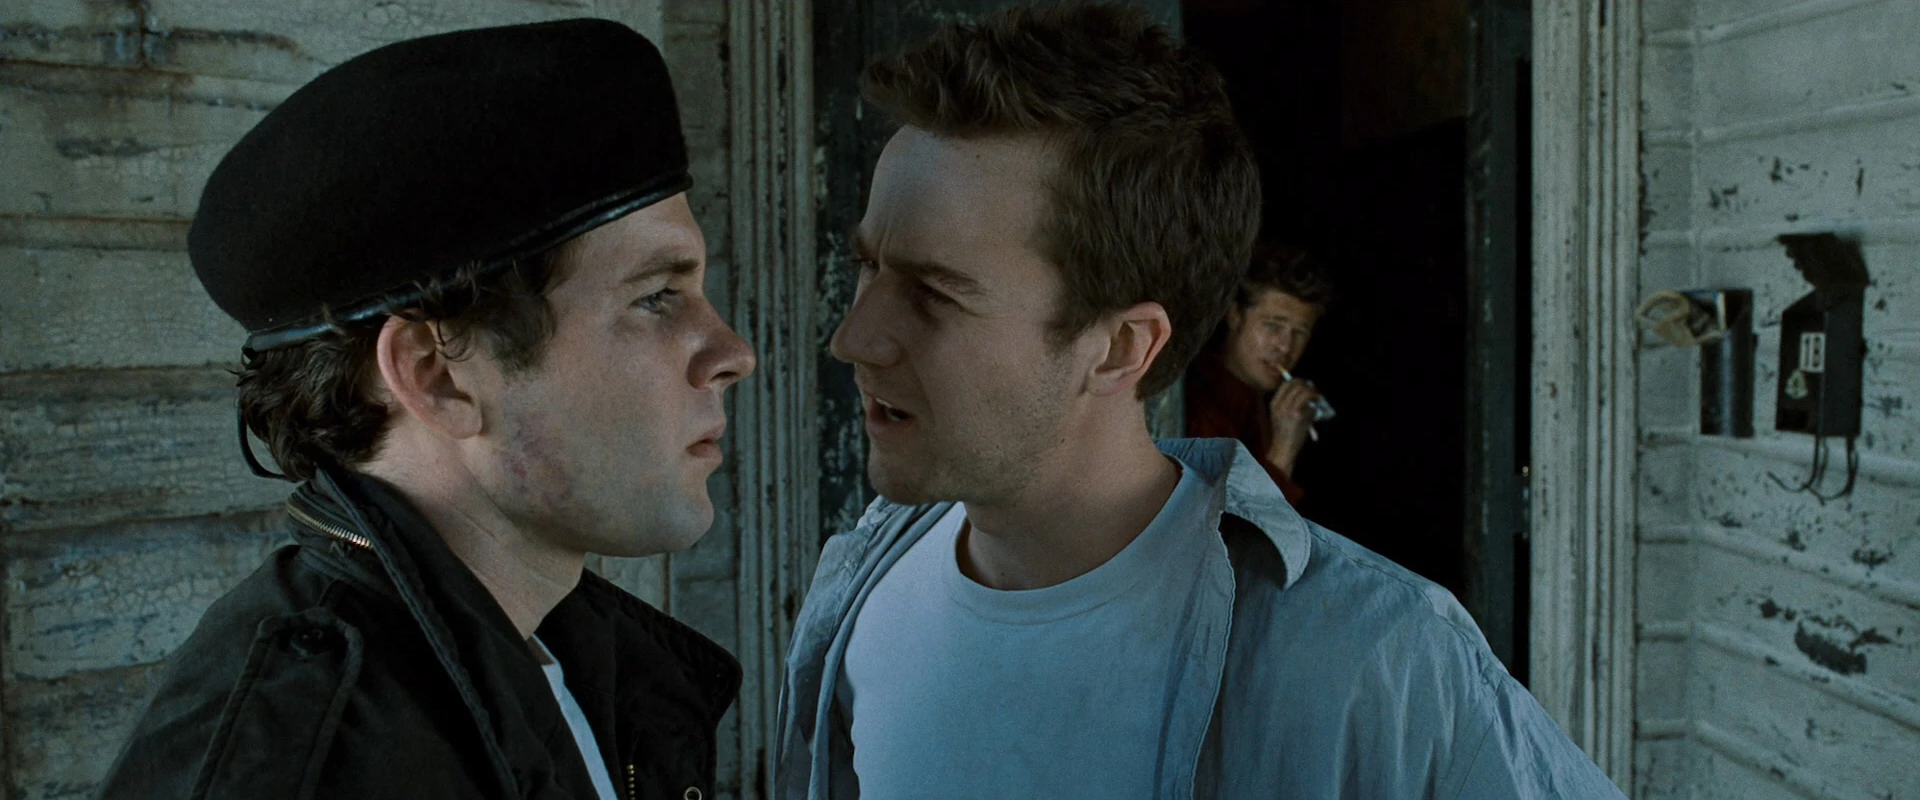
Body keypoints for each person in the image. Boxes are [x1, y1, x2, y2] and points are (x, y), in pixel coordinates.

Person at [775, 4, 1624, 799]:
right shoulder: (858, 589)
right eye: (868, 266)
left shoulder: (1379, 657)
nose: (853, 338)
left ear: (1121, 347)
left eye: (934, 295)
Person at [100, 20, 755, 800]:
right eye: (656, 297)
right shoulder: (306, 770)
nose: (733, 354)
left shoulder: (573, 662)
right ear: (438, 376)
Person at [1185, 243, 1334, 504]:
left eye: (1299, 333)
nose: (1285, 347)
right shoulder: (1196, 402)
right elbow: (1228, 522)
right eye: (1273, 326)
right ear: (1235, 316)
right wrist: (1284, 448)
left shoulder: (1260, 401)